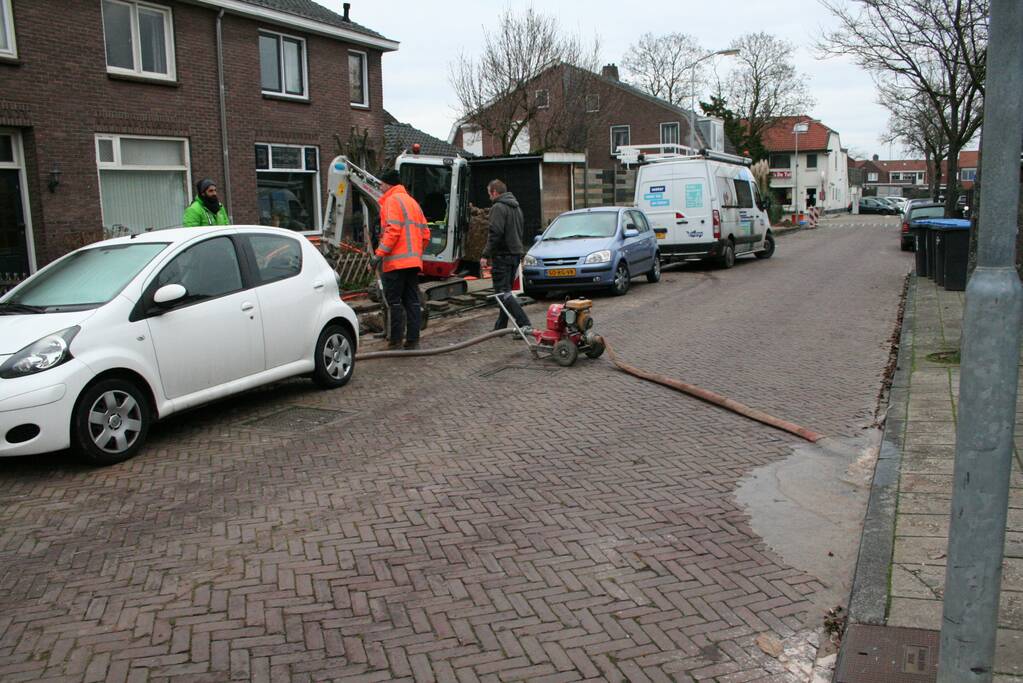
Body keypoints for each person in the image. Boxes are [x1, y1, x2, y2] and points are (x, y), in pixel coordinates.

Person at [372, 169, 430, 350]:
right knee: (412, 301)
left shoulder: (391, 201)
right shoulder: (412, 203)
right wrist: (415, 254)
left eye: (381, 183)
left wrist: (378, 254)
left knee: (394, 302)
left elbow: (392, 231)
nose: (380, 186)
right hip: (413, 263)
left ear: (388, 184)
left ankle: (395, 340)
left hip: (395, 264)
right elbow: (426, 234)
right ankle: (413, 340)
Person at [480, 179, 532, 332]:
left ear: (495, 192)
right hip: (515, 254)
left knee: (502, 293)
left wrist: (485, 254)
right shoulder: (516, 208)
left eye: (489, 193)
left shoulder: (498, 207)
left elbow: (495, 233)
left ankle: (524, 323)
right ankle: (500, 327)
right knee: (506, 293)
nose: (489, 197)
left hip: (503, 255)